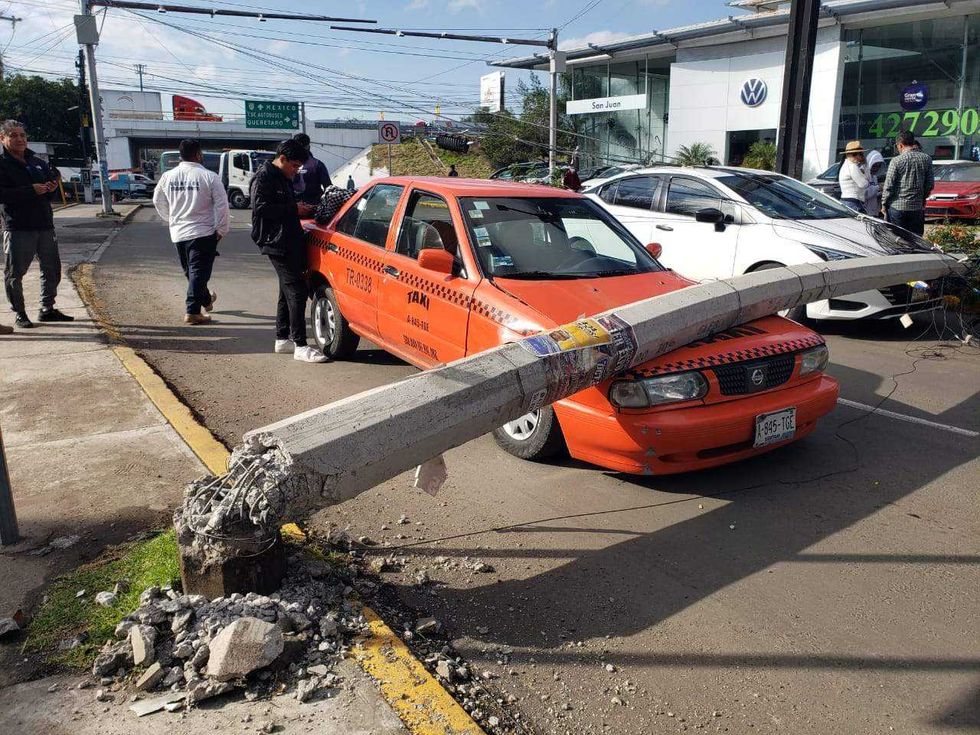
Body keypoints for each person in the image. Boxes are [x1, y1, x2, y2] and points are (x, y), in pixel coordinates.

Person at [251, 138, 327, 363]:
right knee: (297, 291)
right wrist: (294, 208)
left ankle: (282, 338)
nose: (295, 172)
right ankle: (301, 345)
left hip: (288, 238)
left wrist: (300, 210)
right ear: (281, 159)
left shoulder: (283, 177)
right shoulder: (264, 177)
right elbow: (261, 207)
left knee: (286, 291)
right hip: (275, 241)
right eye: (293, 166)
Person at [0, 119, 72, 329]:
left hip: (45, 224)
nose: (20, 139)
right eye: (13, 135)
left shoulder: (36, 161)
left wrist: (51, 186)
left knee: (52, 269)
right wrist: (31, 190)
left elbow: (52, 182)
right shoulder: (2, 164)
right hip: (19, 227)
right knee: (15, 273)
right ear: (3, 138)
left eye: (22, 135)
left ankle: (47, 308)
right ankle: (20, 313)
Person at [152, 138, 229, 325]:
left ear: (181, 155)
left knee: (192, 271)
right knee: (197, 272)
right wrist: (221, 229)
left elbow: (157, 200)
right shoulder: (209, 176)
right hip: (203, 231)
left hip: (179, 232)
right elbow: (222, 205)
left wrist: (171, 218)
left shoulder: (168, 176)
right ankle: (193, 311)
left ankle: (205, 300)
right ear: (199, 154)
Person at [881, 130, 934, 235]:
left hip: (897, 207)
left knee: (898, 239)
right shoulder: (926, 158)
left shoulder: (896, 161)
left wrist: (883, 204)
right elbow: (930, 184)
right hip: (917, 207)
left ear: (900, 145)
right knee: (915, 239)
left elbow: (888, 186)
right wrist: (922, 198)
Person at [291, 133, 332, 206]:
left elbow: (328, 189)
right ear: (308, 147)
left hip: (296, 209)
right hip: (311, 208)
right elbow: (329, 189)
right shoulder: (318, 164)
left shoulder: (287, 164)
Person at [838, 140, 869, 213]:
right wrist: (865, 165)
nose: (862, 156)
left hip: (848, 200)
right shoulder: (852, 167)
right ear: (855, 154)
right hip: (854, 202)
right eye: (861, 154)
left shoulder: (847, 165)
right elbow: (864, 184)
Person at [863, 149, 885, 217]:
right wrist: (879, 187)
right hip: (865, 211)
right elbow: (865, 193)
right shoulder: (863, 175)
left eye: (878, 166)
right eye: (874, 166)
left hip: (874, 211)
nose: (876, 169)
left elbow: (873, 193)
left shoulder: (874, 177)